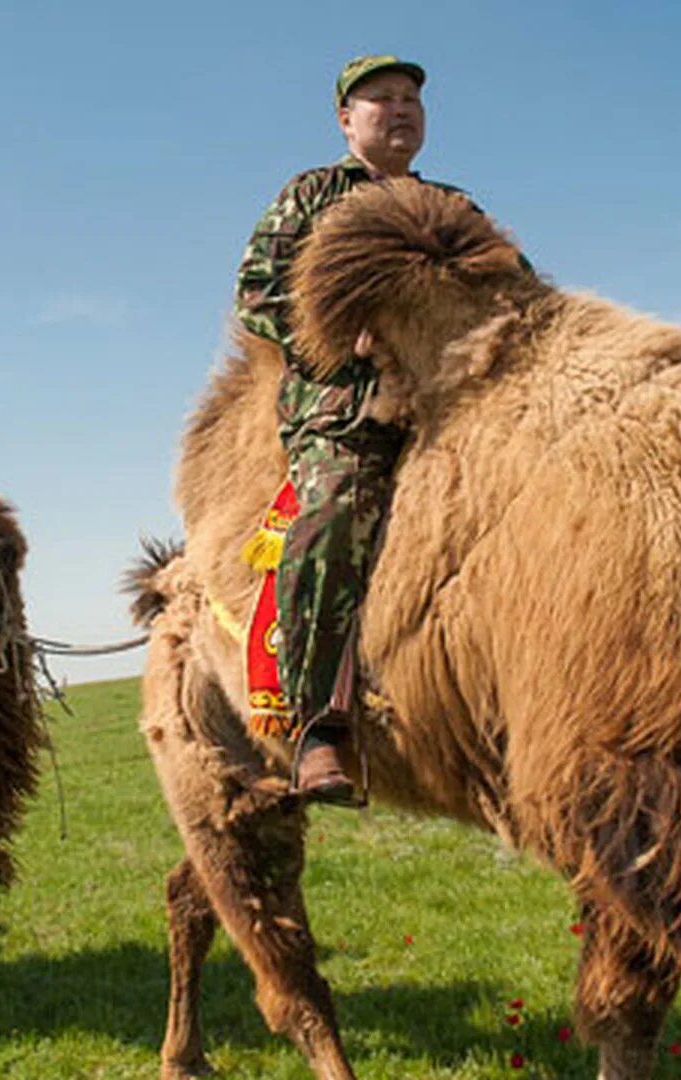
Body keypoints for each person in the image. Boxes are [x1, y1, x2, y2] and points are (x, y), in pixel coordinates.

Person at [236, 55, 475, 804]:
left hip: (455, 396)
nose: (400, 110)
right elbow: (257, 296)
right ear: (348, 120)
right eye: (382, 100)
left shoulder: (452, 203)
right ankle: (319, 726)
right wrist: (346, 339)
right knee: (337, 509)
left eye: (411, 100)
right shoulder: (313, 194)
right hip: (350, 409)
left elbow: (515, 282)